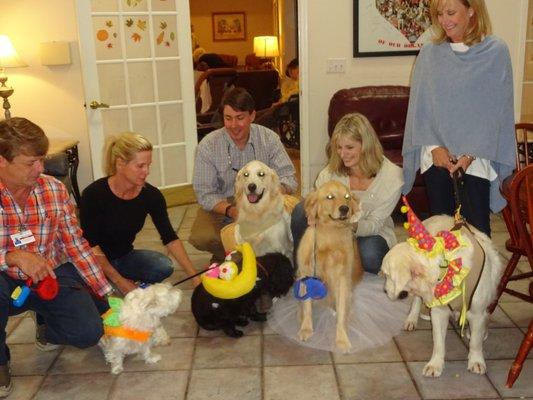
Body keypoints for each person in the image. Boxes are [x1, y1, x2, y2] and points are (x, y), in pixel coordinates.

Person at [0, 117, 112, 398]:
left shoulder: (54, 189)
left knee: (89, 332)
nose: (41, 169)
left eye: (42, 159)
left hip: (49, 275)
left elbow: (76, 246)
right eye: (31, 163)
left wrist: (107, 297)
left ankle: (46, 327)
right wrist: (11, 256)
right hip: (3, 279)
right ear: (2, 160)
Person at [402, 0, 516, 237]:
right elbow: (421, 110)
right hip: (437, 158)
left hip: (476, 160)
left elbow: (495, 113)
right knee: (441, 236)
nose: (444, 20)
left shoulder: (496, 52)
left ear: (472, 10)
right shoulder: (430, 54)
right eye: (439, 14)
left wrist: (469, 155)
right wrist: (434, 148)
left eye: (451, 12)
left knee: (477, 235)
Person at [79, 132, 199, 294]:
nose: (147, 171)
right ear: (120, 163)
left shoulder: (151, 196)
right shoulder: (93, 194)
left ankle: (114, 280)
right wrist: (120, 281)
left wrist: (195, 277)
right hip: (92, 260)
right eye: (140, 166)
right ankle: (110, 281)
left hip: (123, 257)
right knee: (101, 296)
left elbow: (170, 238)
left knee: (163, 266)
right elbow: (91, 247)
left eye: (149, 165)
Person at [191, 87, 298, 261]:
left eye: (240, 118)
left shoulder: (269, 139)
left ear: (252, 116)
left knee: (293, 221)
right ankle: (227, 253)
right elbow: (205, 194)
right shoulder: (208, 145)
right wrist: (233, 211)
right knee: (201, 236)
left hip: (266, 200)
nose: (233, 125)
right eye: (228, 118)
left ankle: (270, 257)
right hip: (225, 204)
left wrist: (270, 198)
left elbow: (289, 178)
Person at [291, 113, 403, 274]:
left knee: (371, 254)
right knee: (300, 211)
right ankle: (302, 267)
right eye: (338, 147)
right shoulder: (331, 171)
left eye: (349, 147)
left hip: (366, 231)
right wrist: (312, 211)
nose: (342, 154)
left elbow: (375, 224)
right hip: (331, 228)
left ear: (366, 145)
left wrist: (351, 227)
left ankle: (338, 259)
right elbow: (314, 198)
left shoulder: (392, 177)